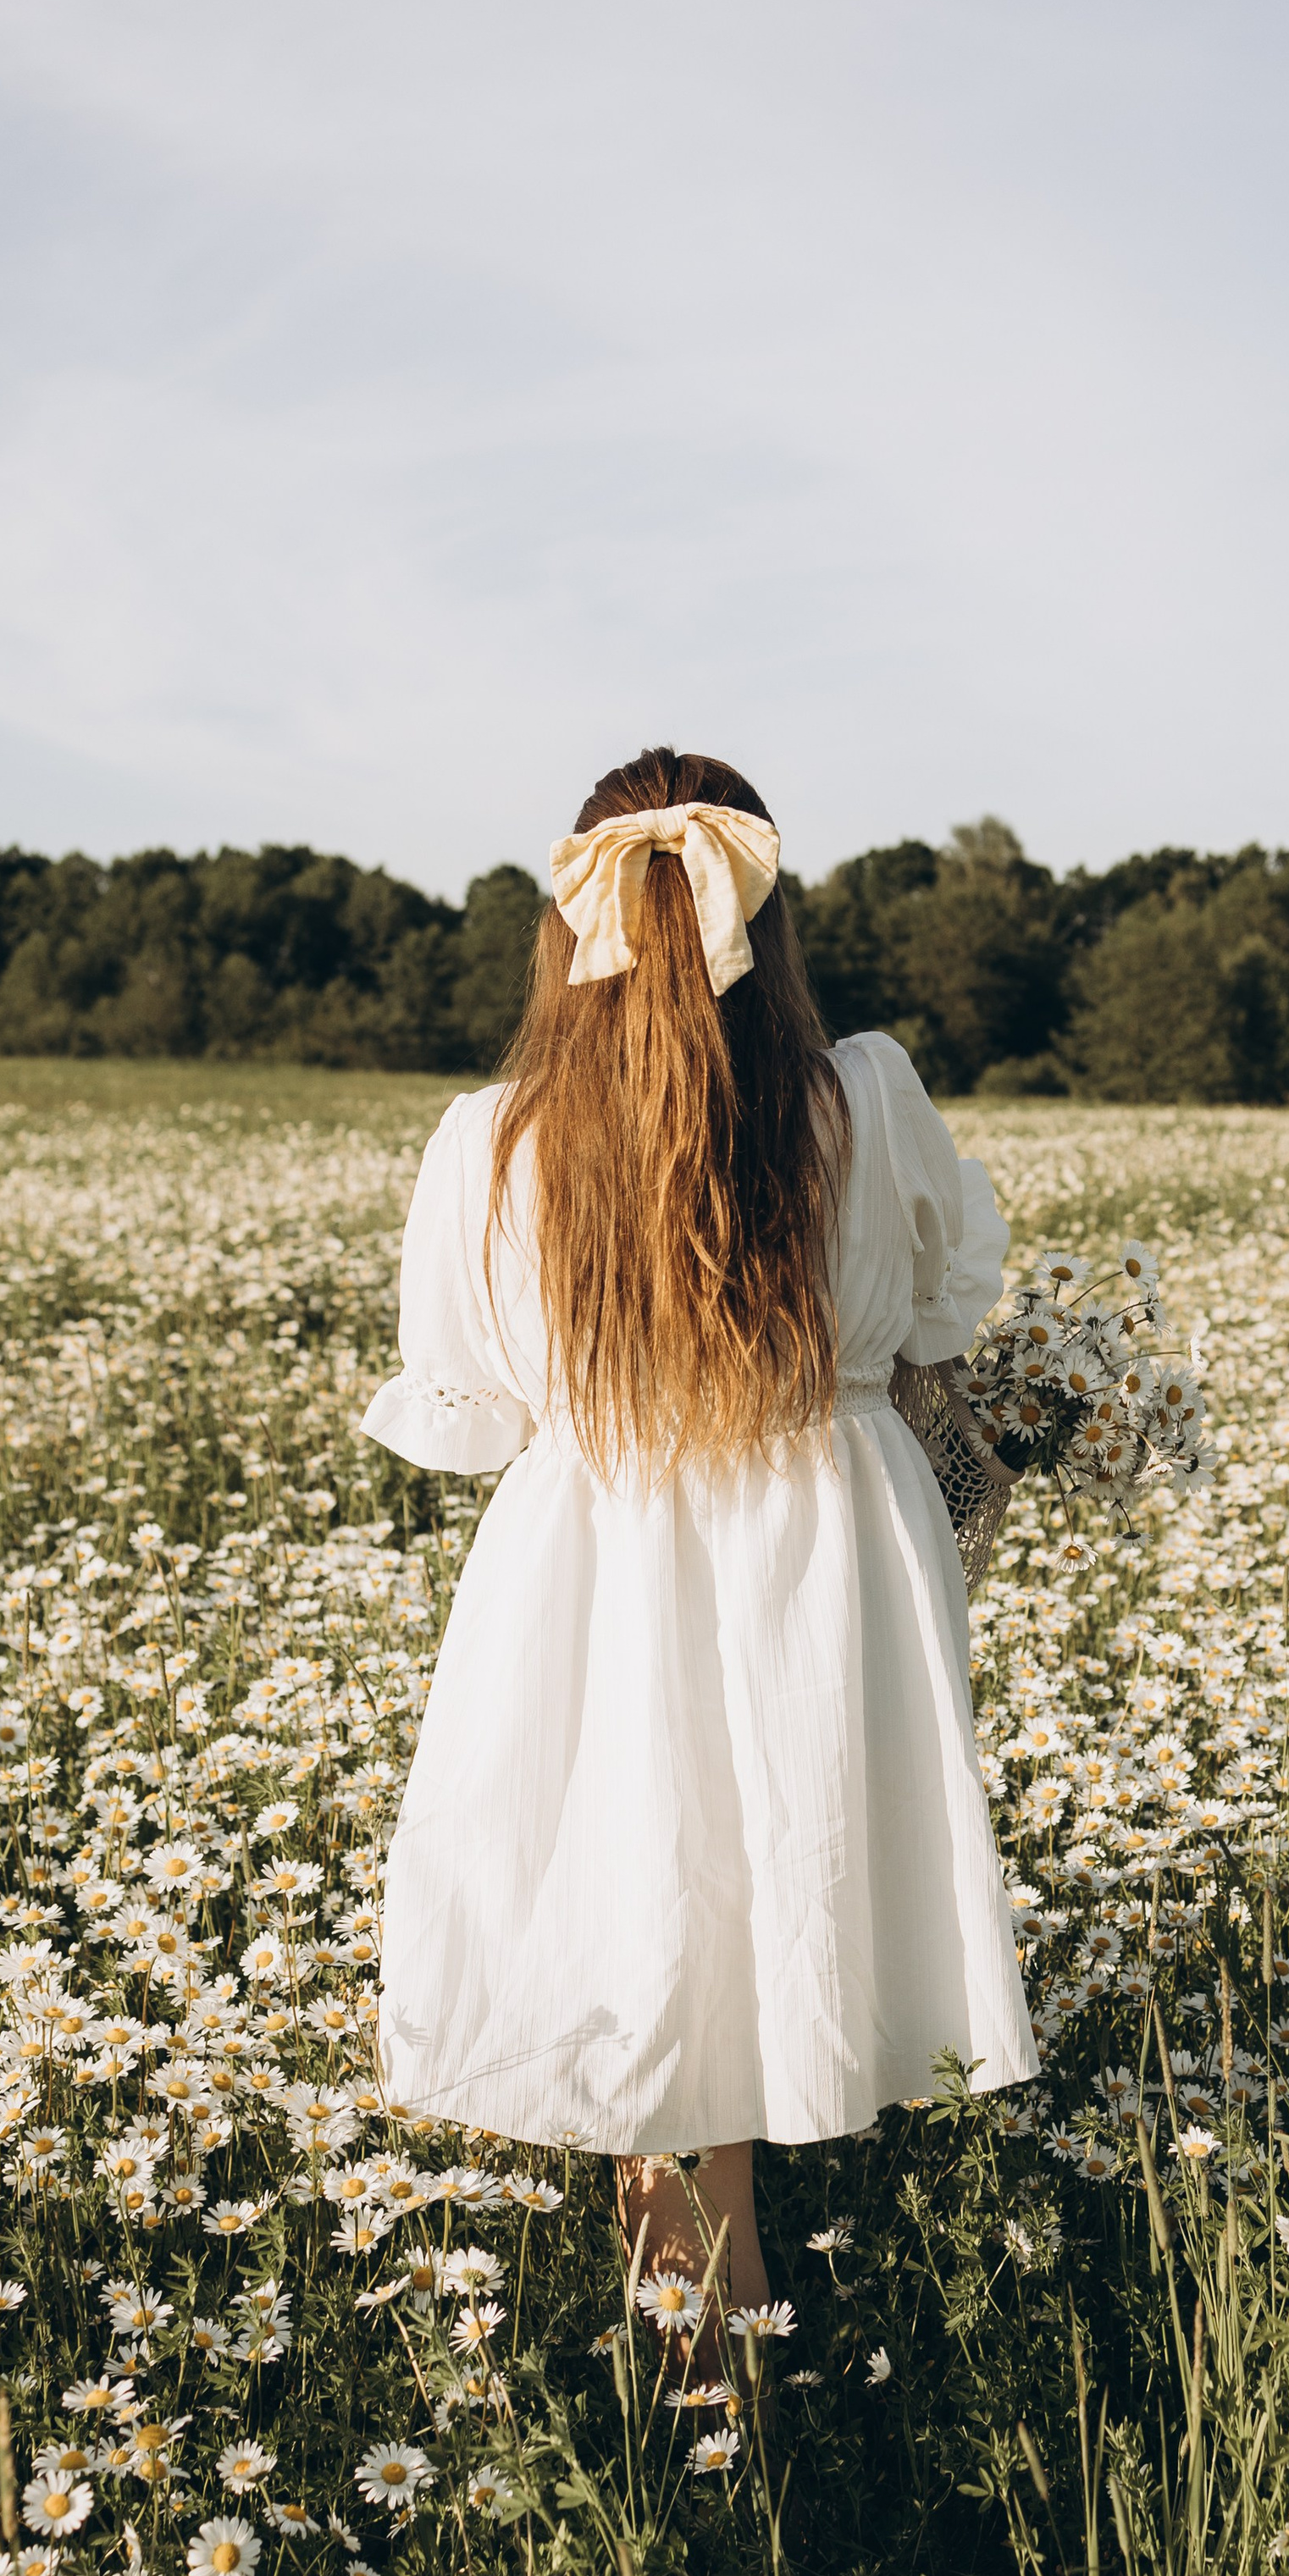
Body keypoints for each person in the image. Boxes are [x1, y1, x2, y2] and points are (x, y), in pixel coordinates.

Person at [360, 745, 1037, 2334]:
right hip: (827, 1561)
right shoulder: (862, 1099)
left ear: (567, 930)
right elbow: (944, 1316)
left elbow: (469, 1403)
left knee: (646, 1918)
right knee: (793, 1893)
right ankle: (717, 2376)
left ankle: (702, 2368)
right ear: (767, 918)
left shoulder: (495, 1146)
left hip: (594, 1577)